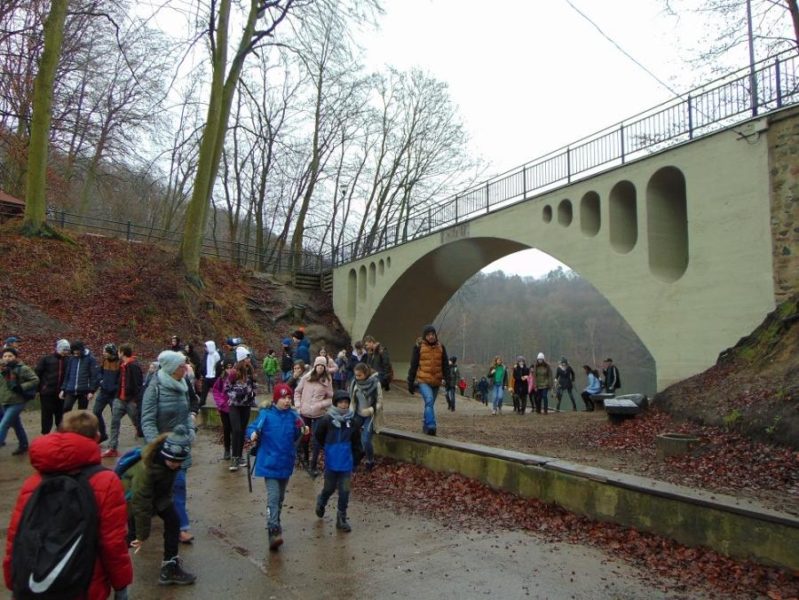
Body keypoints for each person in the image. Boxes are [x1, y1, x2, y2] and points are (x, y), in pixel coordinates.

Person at [3, 410, 133, 599]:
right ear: (96, 437)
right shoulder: (106, 481)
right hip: (83, 582)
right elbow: (112, 542)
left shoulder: (34, 482)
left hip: (35, 581)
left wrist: (13, 579)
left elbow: (16, 535)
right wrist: (121, 585)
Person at [124, 425, 197, 586]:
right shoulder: (147, 469)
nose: (174, 464)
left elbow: (166, 487)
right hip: (133, 502)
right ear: (164, 454)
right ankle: (102, 562)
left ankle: (170, 567)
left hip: (158, 497)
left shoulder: (171, 461)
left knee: (173, 522)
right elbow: (141, 505)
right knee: (132, 538)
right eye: (171, 461)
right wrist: (142, 536)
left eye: (178, 461)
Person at [141, 350, 197, 545]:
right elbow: (147, 420)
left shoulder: (183, 385)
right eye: (182, 366)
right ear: (173, 368)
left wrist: (191, 430)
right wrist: (156, 445)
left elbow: (187, 412)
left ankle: (181, 527)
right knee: (156, 488)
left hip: (180, 448)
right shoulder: (154, 388)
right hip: (161, 449)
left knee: (178, 485)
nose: (186, 368)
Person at [246, 383, 307, 551]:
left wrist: (303, 431)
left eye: (289, 398)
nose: (287, 401)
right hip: (269, 463)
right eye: (283, 398)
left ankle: (276, 521)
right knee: (273, 497)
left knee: (280, 498)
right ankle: (273, 529)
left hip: (286, 463)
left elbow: (297, 435)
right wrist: (252, 434)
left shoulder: (293, 416)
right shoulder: (266, 415)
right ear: (275, 399)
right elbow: (252, 428)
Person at [314, 389, 362, 533]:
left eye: (346, 402)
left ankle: (341, 518)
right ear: (335, 403)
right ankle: (322, 501)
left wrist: (356, 460)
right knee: (329, 488)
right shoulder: (327, 420)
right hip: (331, 462)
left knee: (345, 490)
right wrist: (328, 448)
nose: (344, 405)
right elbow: (319, 435)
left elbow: (357, 443)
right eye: (341, 402)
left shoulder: (352, 422)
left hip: (346, 463)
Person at [407, 324, 450, 435]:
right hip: (423, 380)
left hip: (436, 381)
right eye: (428, 335)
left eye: (432, 334)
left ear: (435, 335)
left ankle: (425, 425)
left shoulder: (441, 347)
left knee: (429, 404)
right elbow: (413, 365)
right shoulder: (419, 347)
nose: (431, 336)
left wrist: (448, 380)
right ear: (425, 336)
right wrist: (410, 382)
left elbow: (445, 365)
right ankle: (431, 425)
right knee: (429, 400)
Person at [295, 356, 333, 477]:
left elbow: (331, 398)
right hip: (304, 412)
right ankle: (305, 458)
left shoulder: (327, 380)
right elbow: (297, 392)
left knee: (317, 440)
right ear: (315, 366)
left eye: (322, 365)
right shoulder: (306, 378)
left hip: (319, 414)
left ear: (325, 367)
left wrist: (321, 404)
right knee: (304, 437)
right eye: (318, 365)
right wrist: (298, 406)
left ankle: (313, 465)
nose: (320, 367)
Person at [103, 344, 143, 458]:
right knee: (114, 422)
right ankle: (112, 448)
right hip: (119, 399)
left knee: (138, 423)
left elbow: (138, 385)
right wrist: (117, 395)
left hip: (131, 401)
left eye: (119, 351)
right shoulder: (122, 365)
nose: (117, 353)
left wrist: (136, 401)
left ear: (122, 353)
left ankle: (144, 448)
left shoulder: (134, 366)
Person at [0, 347, 38, 455]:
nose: (7, 358)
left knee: (4, 424)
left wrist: (22, 387)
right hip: (5, 401)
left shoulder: (22, 368)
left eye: (10, 356)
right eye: (5, 356)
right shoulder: (2, 370)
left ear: (15, 357)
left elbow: (35, 380)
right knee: (16, 425)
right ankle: (24, 445)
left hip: (18, 401)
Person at [225, 347, 257, 471]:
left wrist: (252, 394)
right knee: (236, 430)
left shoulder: (250, 372)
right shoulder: (233, 373)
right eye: (247, 357)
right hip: (234, 405)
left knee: (242, 430)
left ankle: (239, 456)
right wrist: (237, 394)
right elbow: (227, 388)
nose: (249, 359)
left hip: (246, 406)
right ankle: (234, 457)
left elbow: (254, 386)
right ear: (242, 359)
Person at [349, 362, 383, 470]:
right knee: (351, 434)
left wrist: (370, 410)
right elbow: (351, 400)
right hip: (357, 414)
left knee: (366, 439)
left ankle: (370, 460)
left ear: (366, 373)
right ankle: (355, 458)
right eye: (356, 375)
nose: (357, 377)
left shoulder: (375, 383)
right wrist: (350, 412)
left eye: (359, 375)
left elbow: (380, 402)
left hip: (370, 415)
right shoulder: (354, 382)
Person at [34, 338, 70, 434]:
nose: (65, 352)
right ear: (58, 349)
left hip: (62, 393)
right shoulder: (46, 359)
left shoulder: (68, 361)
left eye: (67, 350)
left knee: (60, 414)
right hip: (47, 392)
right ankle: (45, 434)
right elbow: (37, 374)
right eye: (64, 349)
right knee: (47, 414)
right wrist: (37, 389)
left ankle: (60, 433)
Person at [60, 340, 100, 412]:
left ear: (81, 350)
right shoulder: (71, 359)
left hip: (84, 390)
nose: (75, 353)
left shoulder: (90, 359)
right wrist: (63, 389)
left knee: (81, 411)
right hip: (70, 389)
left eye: (77, 352)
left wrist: (92, 391)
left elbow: (94, 376)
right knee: (66, 407)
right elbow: (67, 375)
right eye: (74, 352)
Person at [94, 343, 120, 443]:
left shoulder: (119, 363)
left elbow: (121, 379)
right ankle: (102, 434)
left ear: (111, 353)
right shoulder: (104, 361)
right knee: (96, 412)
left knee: (115, 417)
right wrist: (101, 381)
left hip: (114, 394)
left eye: (105, 352)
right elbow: (99, 373)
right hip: (103, 392)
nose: (103, 353)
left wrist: (115, 387)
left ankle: (114, 440)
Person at [212, 360, 235, 461]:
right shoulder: (221, 379)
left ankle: (236, 450)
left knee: (235, 429)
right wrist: (221, 402)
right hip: (224, 409)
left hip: (234, 408)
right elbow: (215, 391)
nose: (229, 370)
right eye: (227, 367)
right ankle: (227, 449)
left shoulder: (237, 377)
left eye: (231, 367)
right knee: (226, 429)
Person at [199, 340, 221, 406]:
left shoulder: (216, 355)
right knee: (204, 391)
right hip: (207, 376)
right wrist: (203, 372)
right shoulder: (206, 355)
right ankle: (202, 402)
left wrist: (216, 375)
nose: (205, 349)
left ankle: (220, 403)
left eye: (206, 347)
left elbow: (218, 367)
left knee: (217, 391)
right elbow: (204, 364)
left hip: (214, 377)